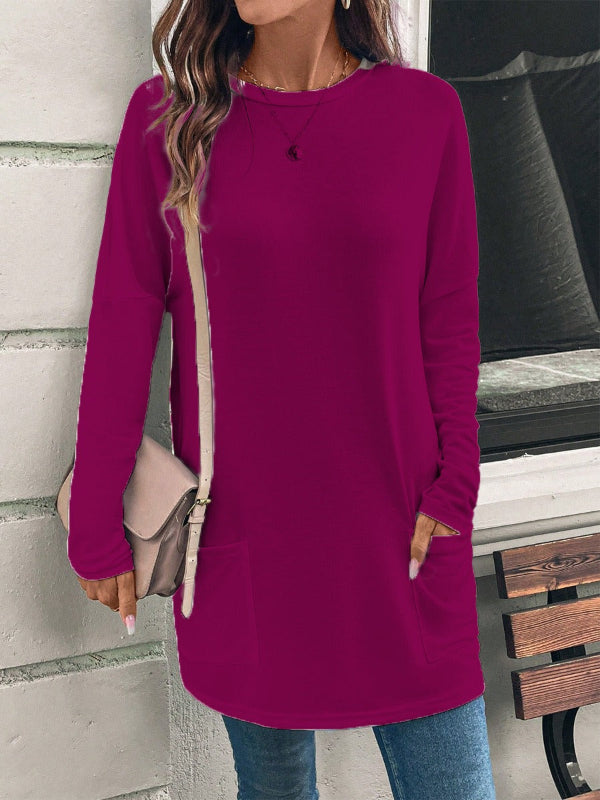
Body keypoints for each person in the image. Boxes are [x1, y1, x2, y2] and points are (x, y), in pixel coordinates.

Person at [66, 0, 497, 797]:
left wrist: (456, 489)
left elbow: (449, 323)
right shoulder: (171, 121)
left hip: (401, 533)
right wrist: (95, 519)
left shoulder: (425, 113)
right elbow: (124, 323)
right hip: (245, 539)